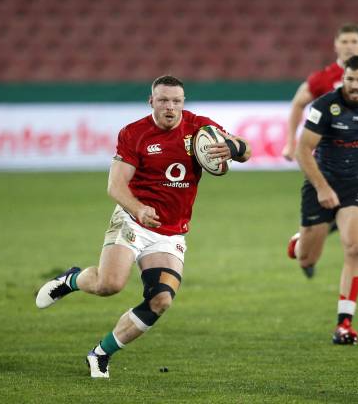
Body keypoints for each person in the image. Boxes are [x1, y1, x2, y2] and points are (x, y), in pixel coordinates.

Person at [35, 75, 251, 378]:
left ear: (183, 102)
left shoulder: (199, 127)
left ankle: (100, 353)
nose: (170, 107)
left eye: (177, 101)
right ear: (151, 101)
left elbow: (246, 149)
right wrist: (138, 208)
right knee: (109, 286)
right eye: (163, 100)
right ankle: (71, 280)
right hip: (132, 219)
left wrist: (233, 147)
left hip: (171, 229)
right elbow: (115, 186)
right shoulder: (134, 133)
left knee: (161, 300)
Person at [282, 23, 358, 289]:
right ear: (336, 45)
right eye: (345, 41)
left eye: (354, 41)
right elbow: (297, 103)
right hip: (333, 161)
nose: (350, 46)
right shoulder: (323, 78)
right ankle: (306, 242)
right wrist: (290, 142)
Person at [288, 56, 358, 344]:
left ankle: (344, 324)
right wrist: (323, 188)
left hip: (355, 185)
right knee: (307, 258)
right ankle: (299, 242)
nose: (355, 85)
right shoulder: (325, 106)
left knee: (356, 247)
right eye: (350, 79)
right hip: (319, 183)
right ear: (343, 79)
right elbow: (302, 151)